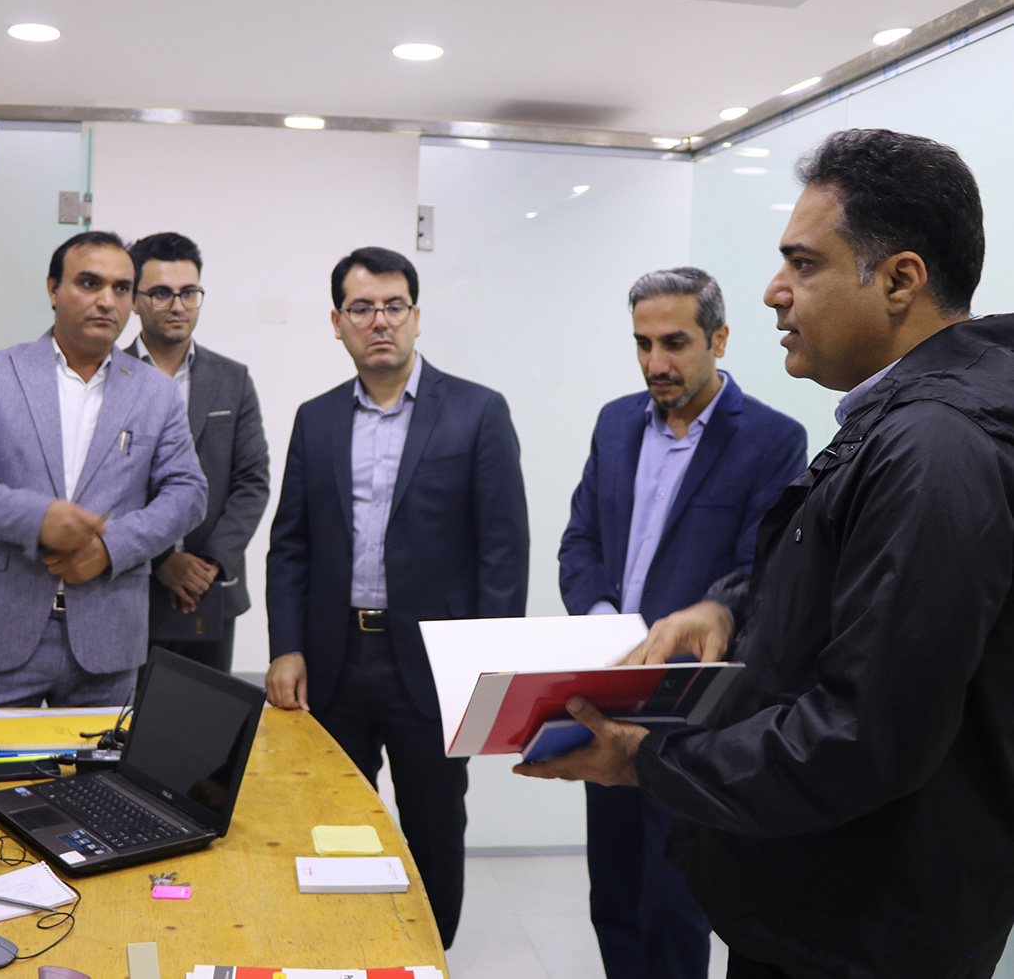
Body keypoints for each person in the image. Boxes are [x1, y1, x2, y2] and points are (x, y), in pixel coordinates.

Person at [517, 128, 1014, 979]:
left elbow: (859, 734)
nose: (775, 291)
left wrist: (648, 758)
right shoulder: (897, 423)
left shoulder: (934, 447)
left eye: (804, 264)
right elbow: (841, 584)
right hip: (823, 904)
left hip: (859, 931)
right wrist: (728, 607)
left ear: (899, 280)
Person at [265, 246, 530, 949]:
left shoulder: (477, 412)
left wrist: (488, 668)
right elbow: (290, 544)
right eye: (361, 308)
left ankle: (427, 956)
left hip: (434, 668)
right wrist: (286, 646)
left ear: (416, 316)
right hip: (334, 662)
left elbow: (503, 552)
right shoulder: (316, 418)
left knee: (434, 828)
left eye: (393, 306)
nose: (378, 321)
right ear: (337, 322)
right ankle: (350, 950)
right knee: (334, 823)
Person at [558, 267, 806, 979]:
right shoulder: (615, 423)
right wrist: (604, 622)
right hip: (609, 691)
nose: (655, 363)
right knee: (613, 894)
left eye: (674, 343)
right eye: (643, 344)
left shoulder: (771, 439)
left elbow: (761, 573)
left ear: (718, 339)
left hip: (694, 709)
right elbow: (580, 543)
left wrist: (703, 616)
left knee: (674, 904)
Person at [0, 231, 207, 708]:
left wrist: (110, 548)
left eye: (121, 288)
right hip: (0, 631)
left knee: (100, 762)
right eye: (89, 283)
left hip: (108, 639)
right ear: (53, 289)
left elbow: (188, 493)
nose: (107, 300)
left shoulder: (155, 392)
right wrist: (38, 519)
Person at [126, 232, 271, 672]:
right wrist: (161, 561)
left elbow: (252, 482)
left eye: (189, 293)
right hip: (131, 587)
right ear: (133, 300)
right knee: (130, 715)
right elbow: (103, 487)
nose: (178, 306)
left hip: (212, 588)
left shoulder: (232, 379)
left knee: (209, 712)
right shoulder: (113, 378)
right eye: (161, 293)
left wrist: (209, 563)